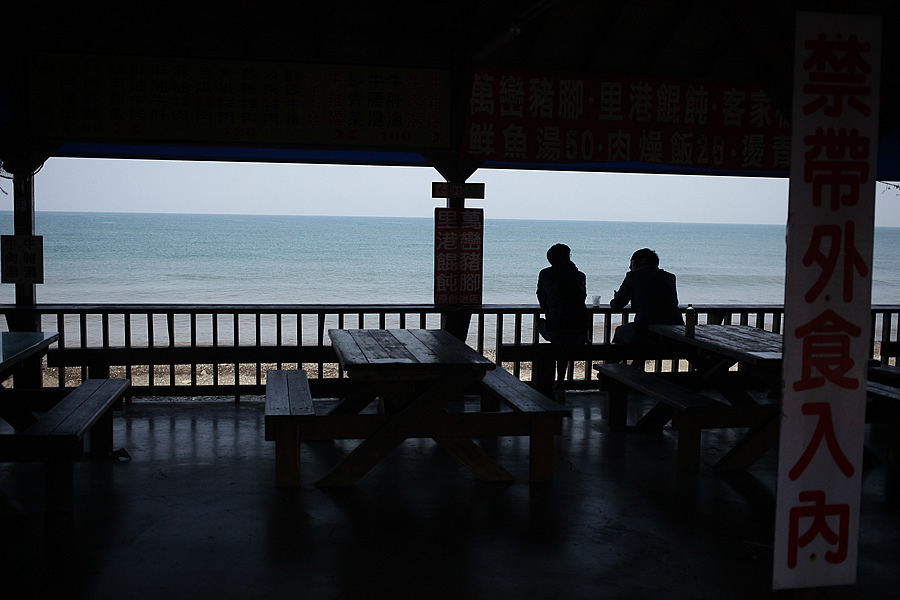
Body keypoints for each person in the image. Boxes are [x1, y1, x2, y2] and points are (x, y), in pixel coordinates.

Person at [536, 244, 590, 387]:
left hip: (556, 329)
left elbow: (542, 298)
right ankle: (559, 382)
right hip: (579, 331)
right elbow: (581, 297)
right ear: (568, 257)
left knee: (542, 326)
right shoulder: (579, 276)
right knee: (564, 346)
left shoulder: (545, 274)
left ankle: (549, 384)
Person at [609, 248, 683, 344]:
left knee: (620, 331)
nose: (629, 266)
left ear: (643, 260)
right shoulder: (669, 277)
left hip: (646, 330)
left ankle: (613, 359)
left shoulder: (634, 276)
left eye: (631, 262)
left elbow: (617, 305)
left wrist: (616, 297)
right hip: (674, 330)